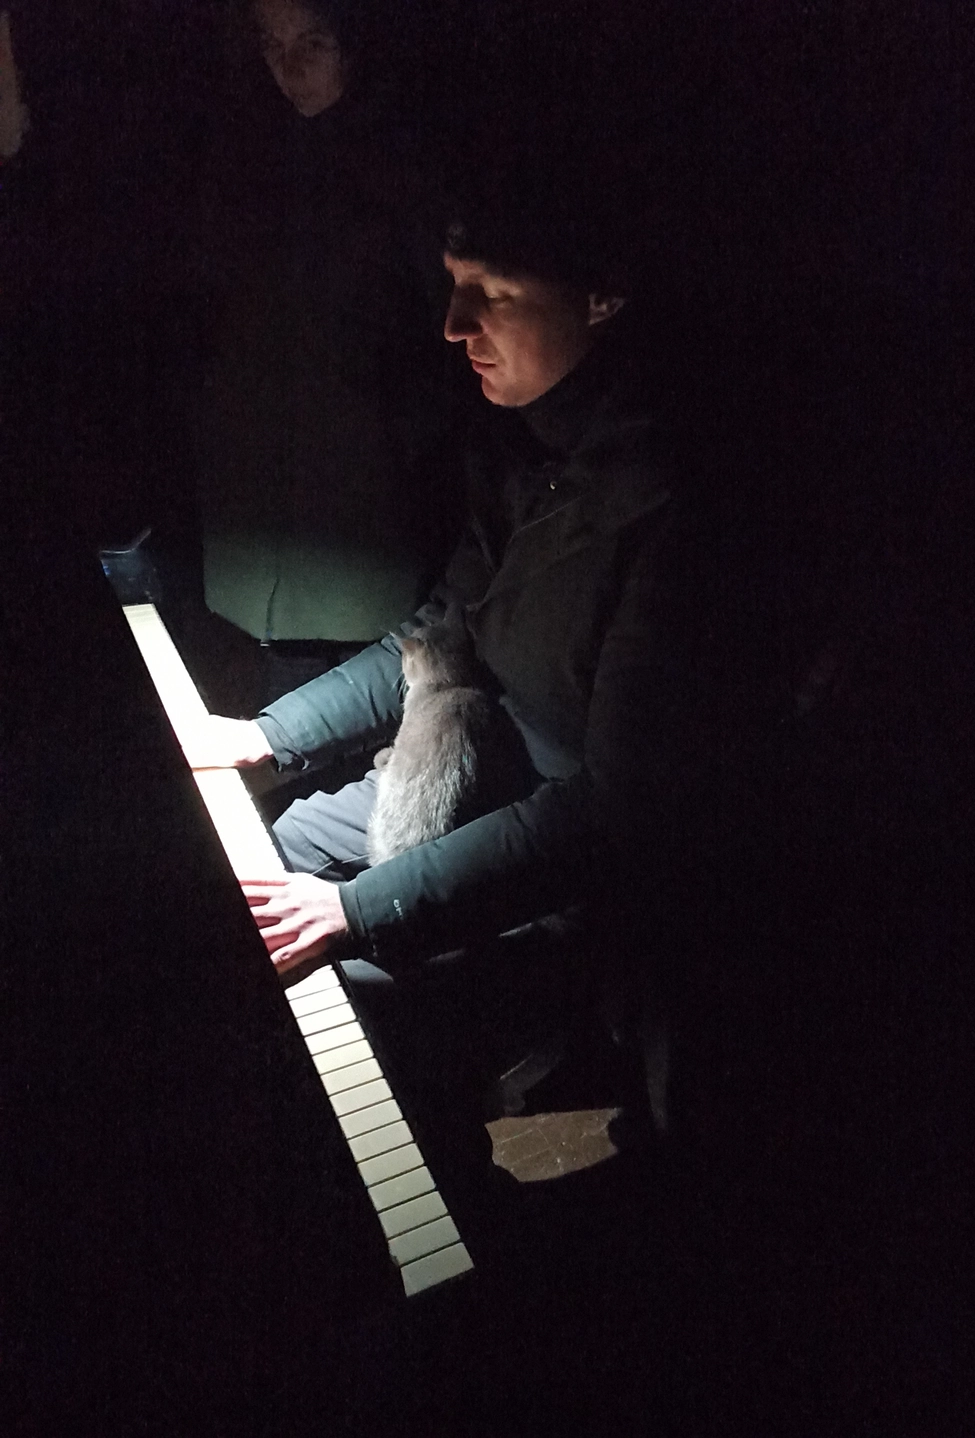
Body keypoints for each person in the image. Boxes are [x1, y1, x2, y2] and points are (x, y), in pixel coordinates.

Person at [186, 186, 701, 1214]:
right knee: (241, 873)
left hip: (573, 868)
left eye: (492, 292)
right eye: (455, 285)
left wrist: (360, 911)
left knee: (341, 984)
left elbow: (610, 812)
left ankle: (439, 1236)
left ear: (602, 298)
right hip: (466, 762)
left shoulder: (675, 509)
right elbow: (433, 638)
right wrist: (266, 734)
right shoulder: (524, 452)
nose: (454, 324)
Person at [195, 0, 459, 707]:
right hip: (254, 541)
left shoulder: (408, 172)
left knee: (346, 739)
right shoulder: (245, 168)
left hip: (364, 540)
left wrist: (399, 438)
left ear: (355, 41)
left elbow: (452, 338)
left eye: (312, 40)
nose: (291, 65)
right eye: (271, 43)